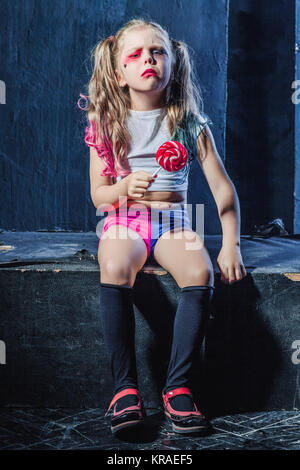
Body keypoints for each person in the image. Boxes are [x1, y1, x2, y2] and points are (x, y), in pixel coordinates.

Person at [78, 18, 247, 435]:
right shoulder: (107, 124)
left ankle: (178, 387)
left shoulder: (188, 122)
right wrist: (122, 186)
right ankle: (125, 390)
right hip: (124, 220)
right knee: (116, 263)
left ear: (173, 63)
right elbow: (99, 196)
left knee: (199, 270)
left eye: (156, 52)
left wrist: (231, 245)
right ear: (119, 74)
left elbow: (223, 191)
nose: (147, 59)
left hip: (173, 224)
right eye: (134, 55)